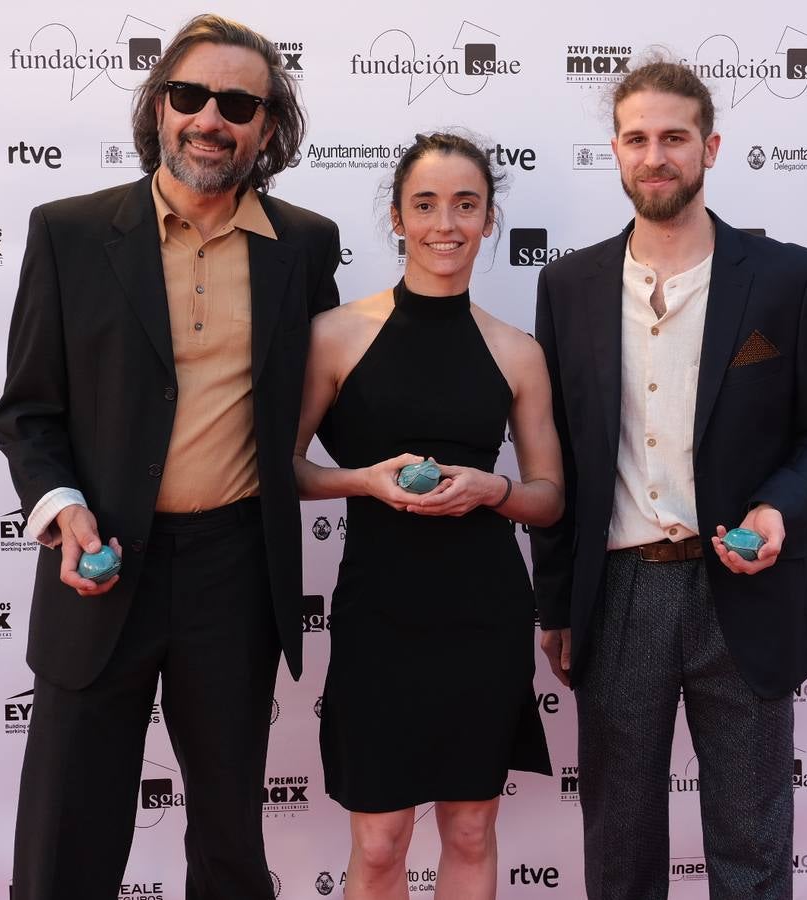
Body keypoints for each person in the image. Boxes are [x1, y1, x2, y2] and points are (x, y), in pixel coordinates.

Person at [0, 14, 341, 899]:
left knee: (229, 835)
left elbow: (338, 390)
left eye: (237, 102)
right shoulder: (69, 232)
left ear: (268, 125)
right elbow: (29, 413)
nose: (209, 118)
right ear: (158, 107)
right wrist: (64, 510)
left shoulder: (303, 244)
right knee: (68, 830)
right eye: (189, 96)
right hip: (99, 564)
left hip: (233, 571)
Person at [531, 60, 807, 899]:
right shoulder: (567, 286)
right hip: (616, 596)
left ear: (709, 147)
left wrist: (780, 508)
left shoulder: (786, 277)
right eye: (638, 139)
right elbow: (562, 462)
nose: (656, 156)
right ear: (614, 151)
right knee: (618, 848)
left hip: (743, 590)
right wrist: (556, 604)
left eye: (674, 138)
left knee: (753, 845)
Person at [293, 132, 563, 900]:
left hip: (484, 613)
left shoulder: (517, 352)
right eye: (426, 204)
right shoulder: (335, 335)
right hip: (380, 613)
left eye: (466, 205)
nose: (446, 223)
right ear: (397, 218)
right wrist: (365, 483)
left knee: (472, 830)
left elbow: (549, 497)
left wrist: (494, 490)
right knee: (379, 843)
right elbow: (281, 470)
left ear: (489, 220)